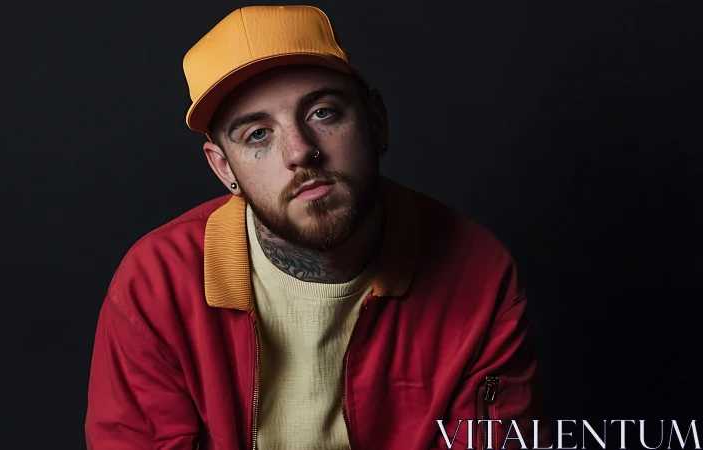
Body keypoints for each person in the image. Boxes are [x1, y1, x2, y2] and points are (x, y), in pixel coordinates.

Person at [85, 5, 550, 450]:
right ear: (224, 169)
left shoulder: (478, 273)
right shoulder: (155, 287)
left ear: (375, 122)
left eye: (322, 112)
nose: (299, 151)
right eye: (258, 134)